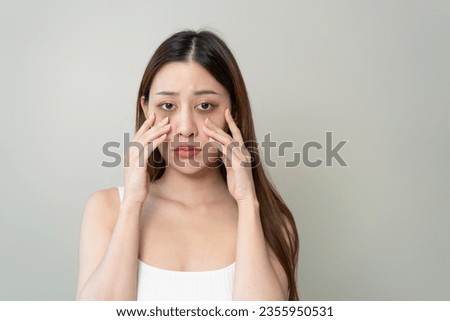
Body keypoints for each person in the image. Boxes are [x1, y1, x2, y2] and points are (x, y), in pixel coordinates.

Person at [76, 30, 299, 301]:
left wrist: (247, 202)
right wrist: (133, 203)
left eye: (205, 105)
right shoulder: (107, 209)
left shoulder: (273, 223)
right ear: (147, 109)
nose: (185, 128)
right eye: (168, 105)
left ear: (235, 111)